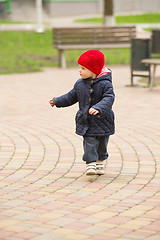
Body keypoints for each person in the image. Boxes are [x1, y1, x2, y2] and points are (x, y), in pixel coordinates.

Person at [49, 49, 115, 176]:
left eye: (83, 68)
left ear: (94, 69)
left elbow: (109, 98)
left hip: (103, 120)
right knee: (89, 141)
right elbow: (70, 97)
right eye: (79, 67)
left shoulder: (105, 84)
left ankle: (100, 161)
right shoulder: (80, 84)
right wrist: (57, 101)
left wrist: (99, 108)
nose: (80, 71)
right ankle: (91, 164)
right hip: (87, 120)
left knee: (102, 143)